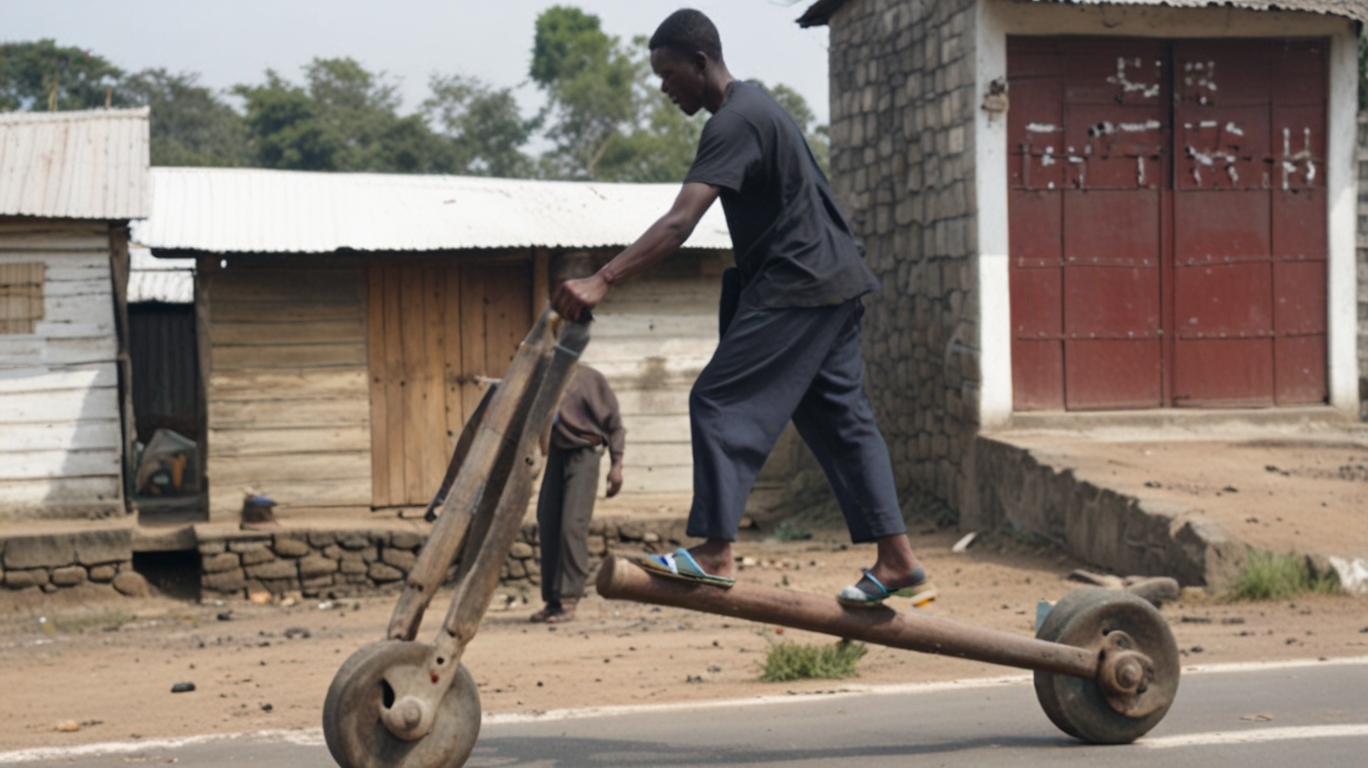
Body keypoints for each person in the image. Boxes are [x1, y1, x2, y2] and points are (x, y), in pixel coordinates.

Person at [552, 9, 934, 608]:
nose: (663, 87)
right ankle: (898, 557)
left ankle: (714, 551)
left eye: (668, 73)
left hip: (800, 283)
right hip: (833, 282)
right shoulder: (761, 107)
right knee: (841, 421)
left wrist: (603, 278)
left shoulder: (733, 122)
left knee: (718, 399)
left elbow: (681, 221)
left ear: (700, 63)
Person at [530, 365, 626, 624]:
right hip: (557, 454)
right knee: (548, 521)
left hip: (585, 452)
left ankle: (569, 599)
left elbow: (615, 424)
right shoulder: (543, 376)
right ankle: (552, 600)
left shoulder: (589, 379)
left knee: (572, 524)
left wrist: (616, 465)